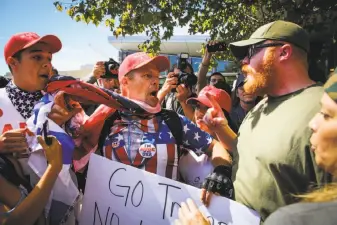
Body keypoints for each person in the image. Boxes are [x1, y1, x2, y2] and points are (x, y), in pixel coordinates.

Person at [177, 20, 331, 222]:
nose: (243, 62)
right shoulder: (261, 106)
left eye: (251, 52)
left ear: (283, 52)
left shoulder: (325, 109)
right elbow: (251, 153)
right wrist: (222, 130)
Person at [174, 73, 337, 225]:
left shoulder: (296, 218)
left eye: (326, 115)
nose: (312, 124)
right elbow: (243, 149)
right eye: (197, 107)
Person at [98, 52, 233, 204]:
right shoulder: (104, 121)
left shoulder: (173, 121)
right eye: (147, 76)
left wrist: (222, 171)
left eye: (157, 76)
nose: (156, 81)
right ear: (125, 82)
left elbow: (215, 146)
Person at [179, 85, 234, 188]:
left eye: (208, 108)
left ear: (223, 115)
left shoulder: (233, 149)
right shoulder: (184, 143)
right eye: (197, 107)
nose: (199, 113)